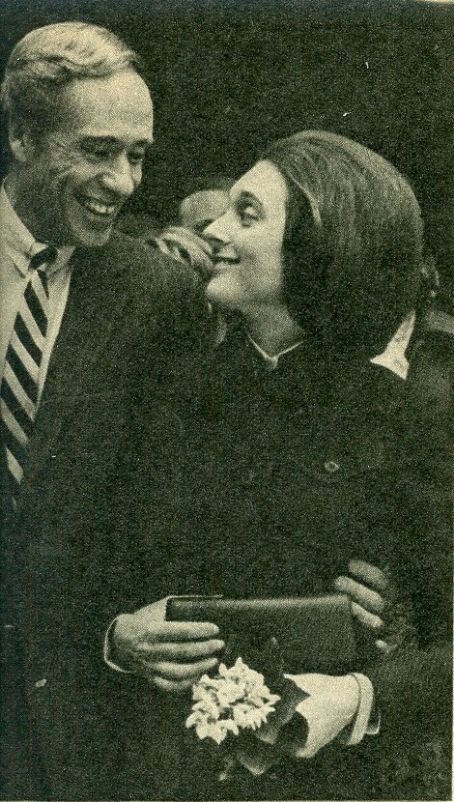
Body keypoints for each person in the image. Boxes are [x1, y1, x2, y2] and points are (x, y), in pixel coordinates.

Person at [114, 131, 451, 800]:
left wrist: (362, 696)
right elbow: (110, 572)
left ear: (322, 242)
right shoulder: (180, 388)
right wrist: (120, 638)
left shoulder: (421, 404)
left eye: (247, 213)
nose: (212, 229)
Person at [0, 21, 215, 801]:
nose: (124, 183)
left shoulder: (160, 300)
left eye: (138, 156)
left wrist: (113, 634)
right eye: (97, 151)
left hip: (68, 719)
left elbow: (162, 524)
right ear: (23, 138)